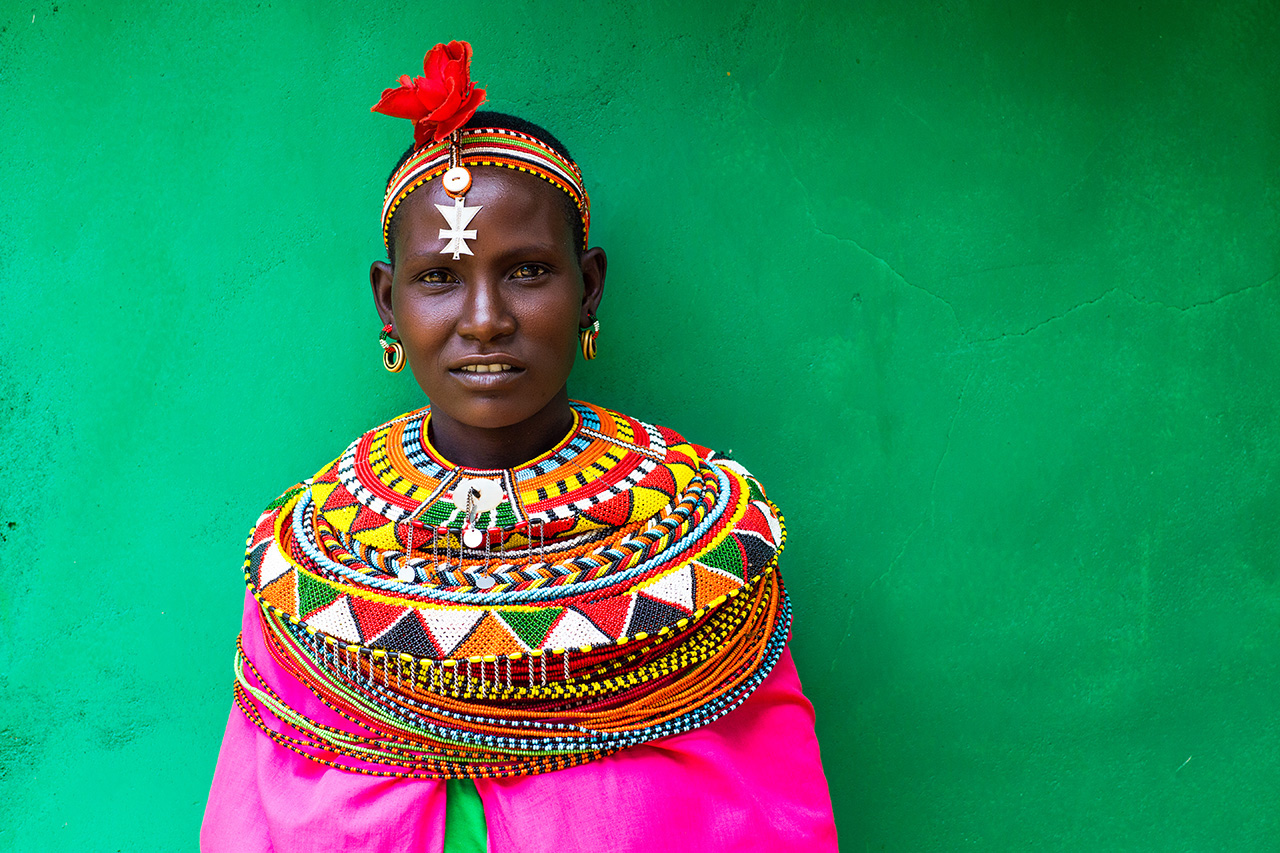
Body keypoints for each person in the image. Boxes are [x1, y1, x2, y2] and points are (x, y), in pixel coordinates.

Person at [202, 40, 838, 853]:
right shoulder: (308, 563)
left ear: (590, 286)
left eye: (528, 271)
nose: (484, 319)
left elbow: (771, 819)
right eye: (438, 277)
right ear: (385, 303)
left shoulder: (705, 546)